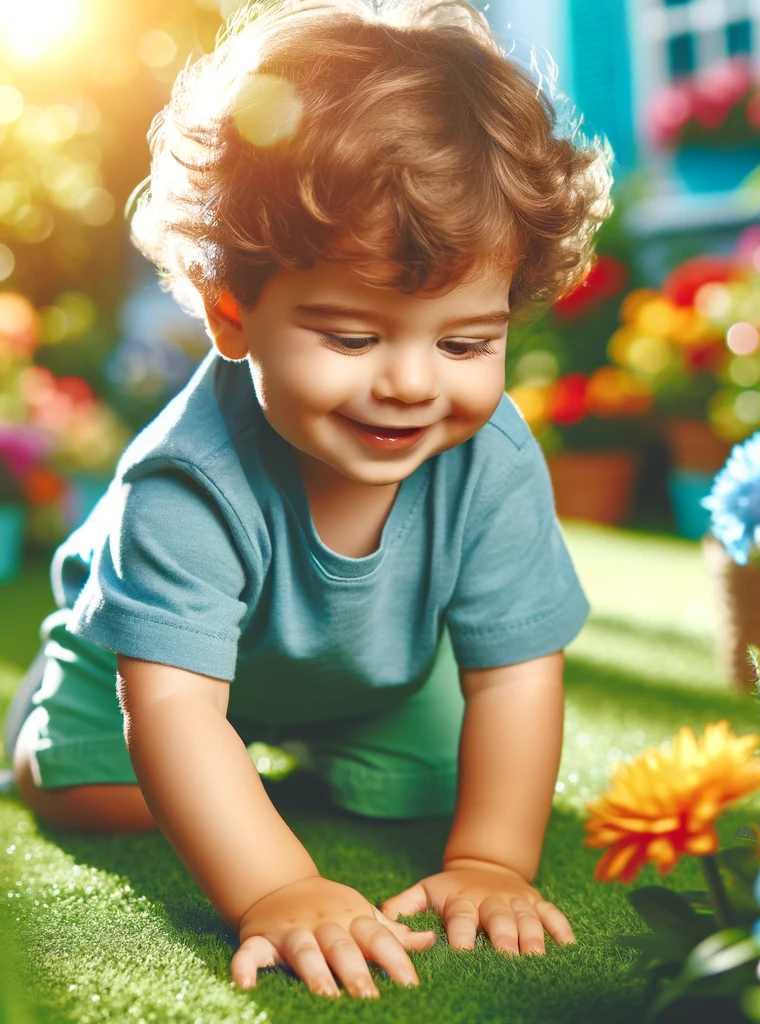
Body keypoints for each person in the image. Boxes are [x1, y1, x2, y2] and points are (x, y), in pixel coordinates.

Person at [2, 0, 614, 1003]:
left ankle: (308, 756)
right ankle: (53, 723)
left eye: (464, 343)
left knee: (438, 787)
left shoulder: (491, 456)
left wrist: (494, 859)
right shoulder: (186, 483)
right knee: (87, 789)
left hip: (365, 677)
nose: (413, 383)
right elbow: (175, 709)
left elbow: (513, 676)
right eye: (352, 337)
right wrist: (277, 885)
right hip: (145, 674)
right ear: (232, 315)